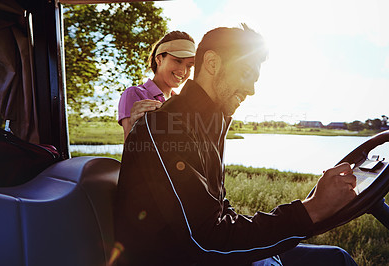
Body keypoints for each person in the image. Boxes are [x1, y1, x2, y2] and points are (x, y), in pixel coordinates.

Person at [113, 25, 357, 266]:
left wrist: (308, 208)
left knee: (338, 258)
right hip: (182, 258)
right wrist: (311, 210)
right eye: (245, 74)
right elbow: (205, 241)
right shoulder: (162, 126)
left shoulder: (209, 123)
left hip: (211, 253)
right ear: (212, 63)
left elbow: (217, 210)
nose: (251, 90)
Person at [118, 31, 195, 141]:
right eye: (178, 61)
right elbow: (130, 147)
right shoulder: (135, 94)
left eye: (189, 66)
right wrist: (134, 125)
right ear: (159, 59)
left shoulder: (182, 103)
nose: (183, 71)